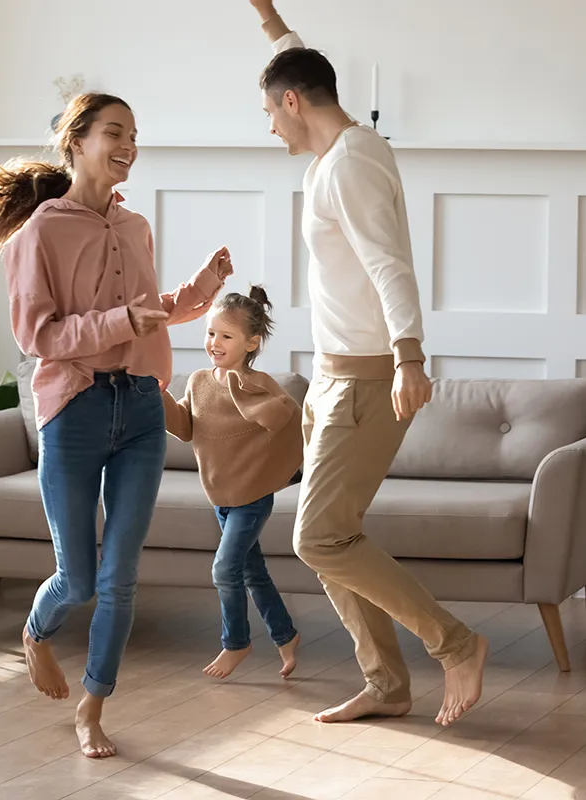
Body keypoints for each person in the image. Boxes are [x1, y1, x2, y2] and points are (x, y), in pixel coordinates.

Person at [0, 92, 233, 758]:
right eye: (115, 132)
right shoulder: (41, 232)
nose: (128, 144)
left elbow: (143, 311)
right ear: (74, 140)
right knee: (76, 579)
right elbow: (37, 336)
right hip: (73, 413)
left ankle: (92, 707)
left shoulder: (134, 228)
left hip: (138, 406)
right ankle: (35, 632)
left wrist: (195, 293)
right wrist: (119, 323)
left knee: (119, 578)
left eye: (135, 133)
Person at [247, 1, 489, 727]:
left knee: (316, 535)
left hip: (364, 379)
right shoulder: (345, 146)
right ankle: (385, 684)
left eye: (269, 111)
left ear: (292, 103)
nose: (268, 126)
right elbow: (298, 60)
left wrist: (408, 358)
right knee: (331, 541)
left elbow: (390, 268)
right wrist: (269, 18)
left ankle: (456, 644)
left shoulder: (349, 164)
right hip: (330, 378)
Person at [163, 286, 303, 680]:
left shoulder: (259, 383)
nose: (214, 343)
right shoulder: (198, 381)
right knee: (251, 571)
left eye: (226, 336)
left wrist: (240, 390)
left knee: (224, 569)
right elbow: (186, 427)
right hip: (219, 495)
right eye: (210, 333)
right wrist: (158, 399)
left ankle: (235, 642)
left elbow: (280, 417)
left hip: (252, 497)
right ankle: (286, 636)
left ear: (251, 342)